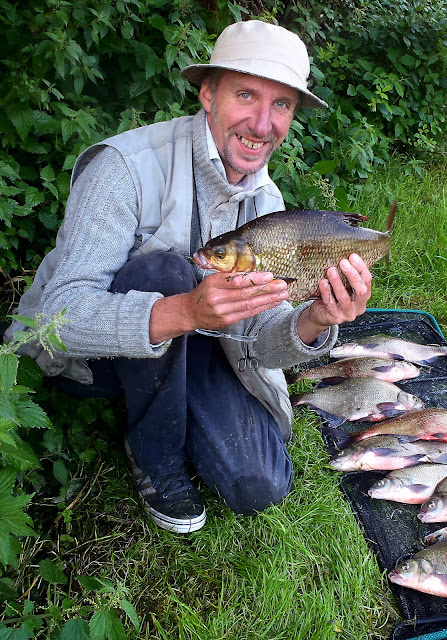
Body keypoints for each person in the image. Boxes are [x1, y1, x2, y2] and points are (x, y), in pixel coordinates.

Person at [4, 20, 373, 533]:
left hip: (196, 342)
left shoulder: (268, 207)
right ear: (207, 93)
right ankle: (154, 454)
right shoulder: (125, 167)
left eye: (282, 104)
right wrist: (188, 309)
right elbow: (57, 318)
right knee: (164, 270)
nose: (263, 124)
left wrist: (313, 319)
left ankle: (183, 403)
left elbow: (259, 346)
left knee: (258, 484)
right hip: (89, 361)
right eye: (246, 94)